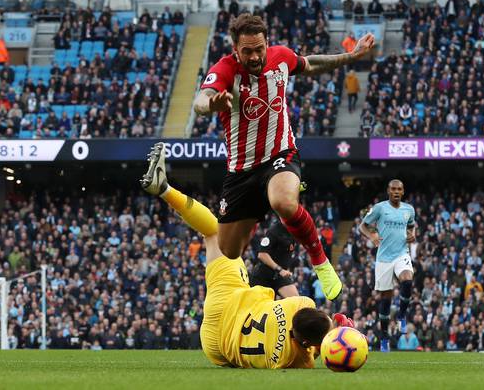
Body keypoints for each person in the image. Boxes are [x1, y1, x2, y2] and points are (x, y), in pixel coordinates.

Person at [190, 13, 375, 301]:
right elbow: (202, 100)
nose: (254, 56)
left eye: (259, 49)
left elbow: (311, 63)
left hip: (280, 154)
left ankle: (320, 261)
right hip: (242, 170)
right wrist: (211, 103)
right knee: (229, 250)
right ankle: (257, 208)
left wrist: (349, 56)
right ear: (235, 48)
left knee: (284, 202)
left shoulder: (281, 57)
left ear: (267, 43)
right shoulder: (225, 69)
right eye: (247, 51)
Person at [140, 142, 353, 368]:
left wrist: (335, 324)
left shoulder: (300, 304)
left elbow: (309, 324)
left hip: (229, 302)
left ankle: (164, 189)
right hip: (216, 346)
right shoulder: (295, 359)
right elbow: (311, 348)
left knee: (213, 232)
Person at [359, 179, 416, 352]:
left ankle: (401, 314)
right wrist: (372, 237)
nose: (396, 192)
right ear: (388, 191)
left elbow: (411, 227)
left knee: (407, 280)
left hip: (401, 254)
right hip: (384, 258)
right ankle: (384, 335)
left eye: (399, 189)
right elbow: (363, 226)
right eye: (393, 189)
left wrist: (411, 234)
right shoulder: (379, 208)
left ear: (403, 191)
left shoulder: (409, 210)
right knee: (386, 299)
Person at [250, 221, 299, 298]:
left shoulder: (294, 229)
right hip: (263, 276)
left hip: (279, 276)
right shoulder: (274, 231)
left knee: (297, 303)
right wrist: (280, 269)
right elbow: (262, 254)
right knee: (262, 307)